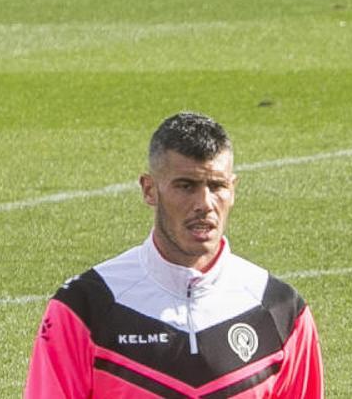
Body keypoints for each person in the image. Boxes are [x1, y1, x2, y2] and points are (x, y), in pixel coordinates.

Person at [25, 112, 323, 398]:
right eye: (186, 186)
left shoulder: (280, 309)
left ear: (233, 190)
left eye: (217, 186)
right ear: (149, 189)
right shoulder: (84, 306)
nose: (204, 203)